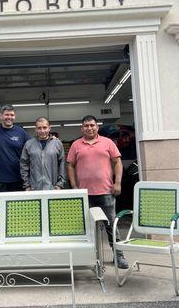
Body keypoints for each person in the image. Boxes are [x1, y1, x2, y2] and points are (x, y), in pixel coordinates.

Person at [66, 115, 129, 269]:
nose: (89, 128)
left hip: (106, 192)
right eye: (86, 126)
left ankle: (118, 256)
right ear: (82, 128)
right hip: (84, 195)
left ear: (97, 127)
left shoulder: (107, 143)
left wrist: (118, 183)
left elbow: (117, 163)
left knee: (111, 225)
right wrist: (74, 186)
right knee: (85, 228)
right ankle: (88, 257)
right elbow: (70, 166)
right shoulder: (76, 145)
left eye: (92, 125)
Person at [0, 105, 32, 192]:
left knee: (16, 205)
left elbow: (34, 144)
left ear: (14, 117)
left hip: (17, 178)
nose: (9, 117)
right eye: (6, 115)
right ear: (1, 116)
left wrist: (49, 138)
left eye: (11, 115)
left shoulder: (21, 132)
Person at [20, 116, 67, 191]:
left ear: (49, 128)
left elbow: (62, 164)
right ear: (35, 129)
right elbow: (24, 165)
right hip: (34, 189)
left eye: (44, 127)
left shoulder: (57, 143)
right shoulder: (29, 144)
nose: (42, 131)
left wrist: (60, 184)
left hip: (53, 188)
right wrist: (27, 185)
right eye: (39, 128)